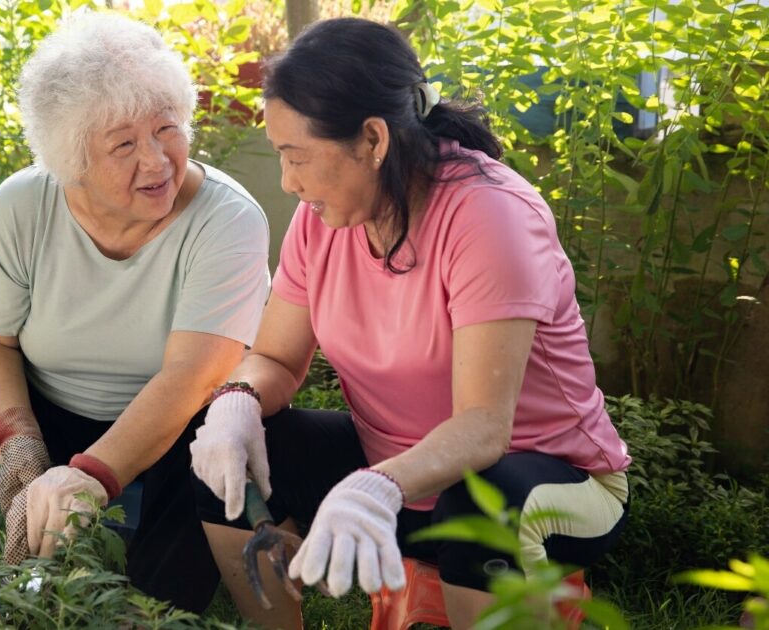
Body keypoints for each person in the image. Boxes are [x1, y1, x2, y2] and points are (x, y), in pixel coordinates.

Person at [189, 17, 631, 629]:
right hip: (394, 477)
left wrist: (375, 486)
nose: (288, 183)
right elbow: (277, 358)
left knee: (486, 505)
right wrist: (234, 402)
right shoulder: (325, 219)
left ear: (373, 140)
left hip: (550, 479)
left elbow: (483, 429)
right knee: (227, 464)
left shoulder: (488, 216)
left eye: (297, 158)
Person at [0, 11, 270, 613]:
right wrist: (17, 438)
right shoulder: (24, 203)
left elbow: (192, 377)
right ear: (72, 159)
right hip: (48, 404)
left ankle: (147, 614)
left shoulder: (228, 219)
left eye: (167, 130)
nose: (156, 161)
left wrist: (93, 475)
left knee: (217, 422)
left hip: (166, 422)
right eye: (124, 144)